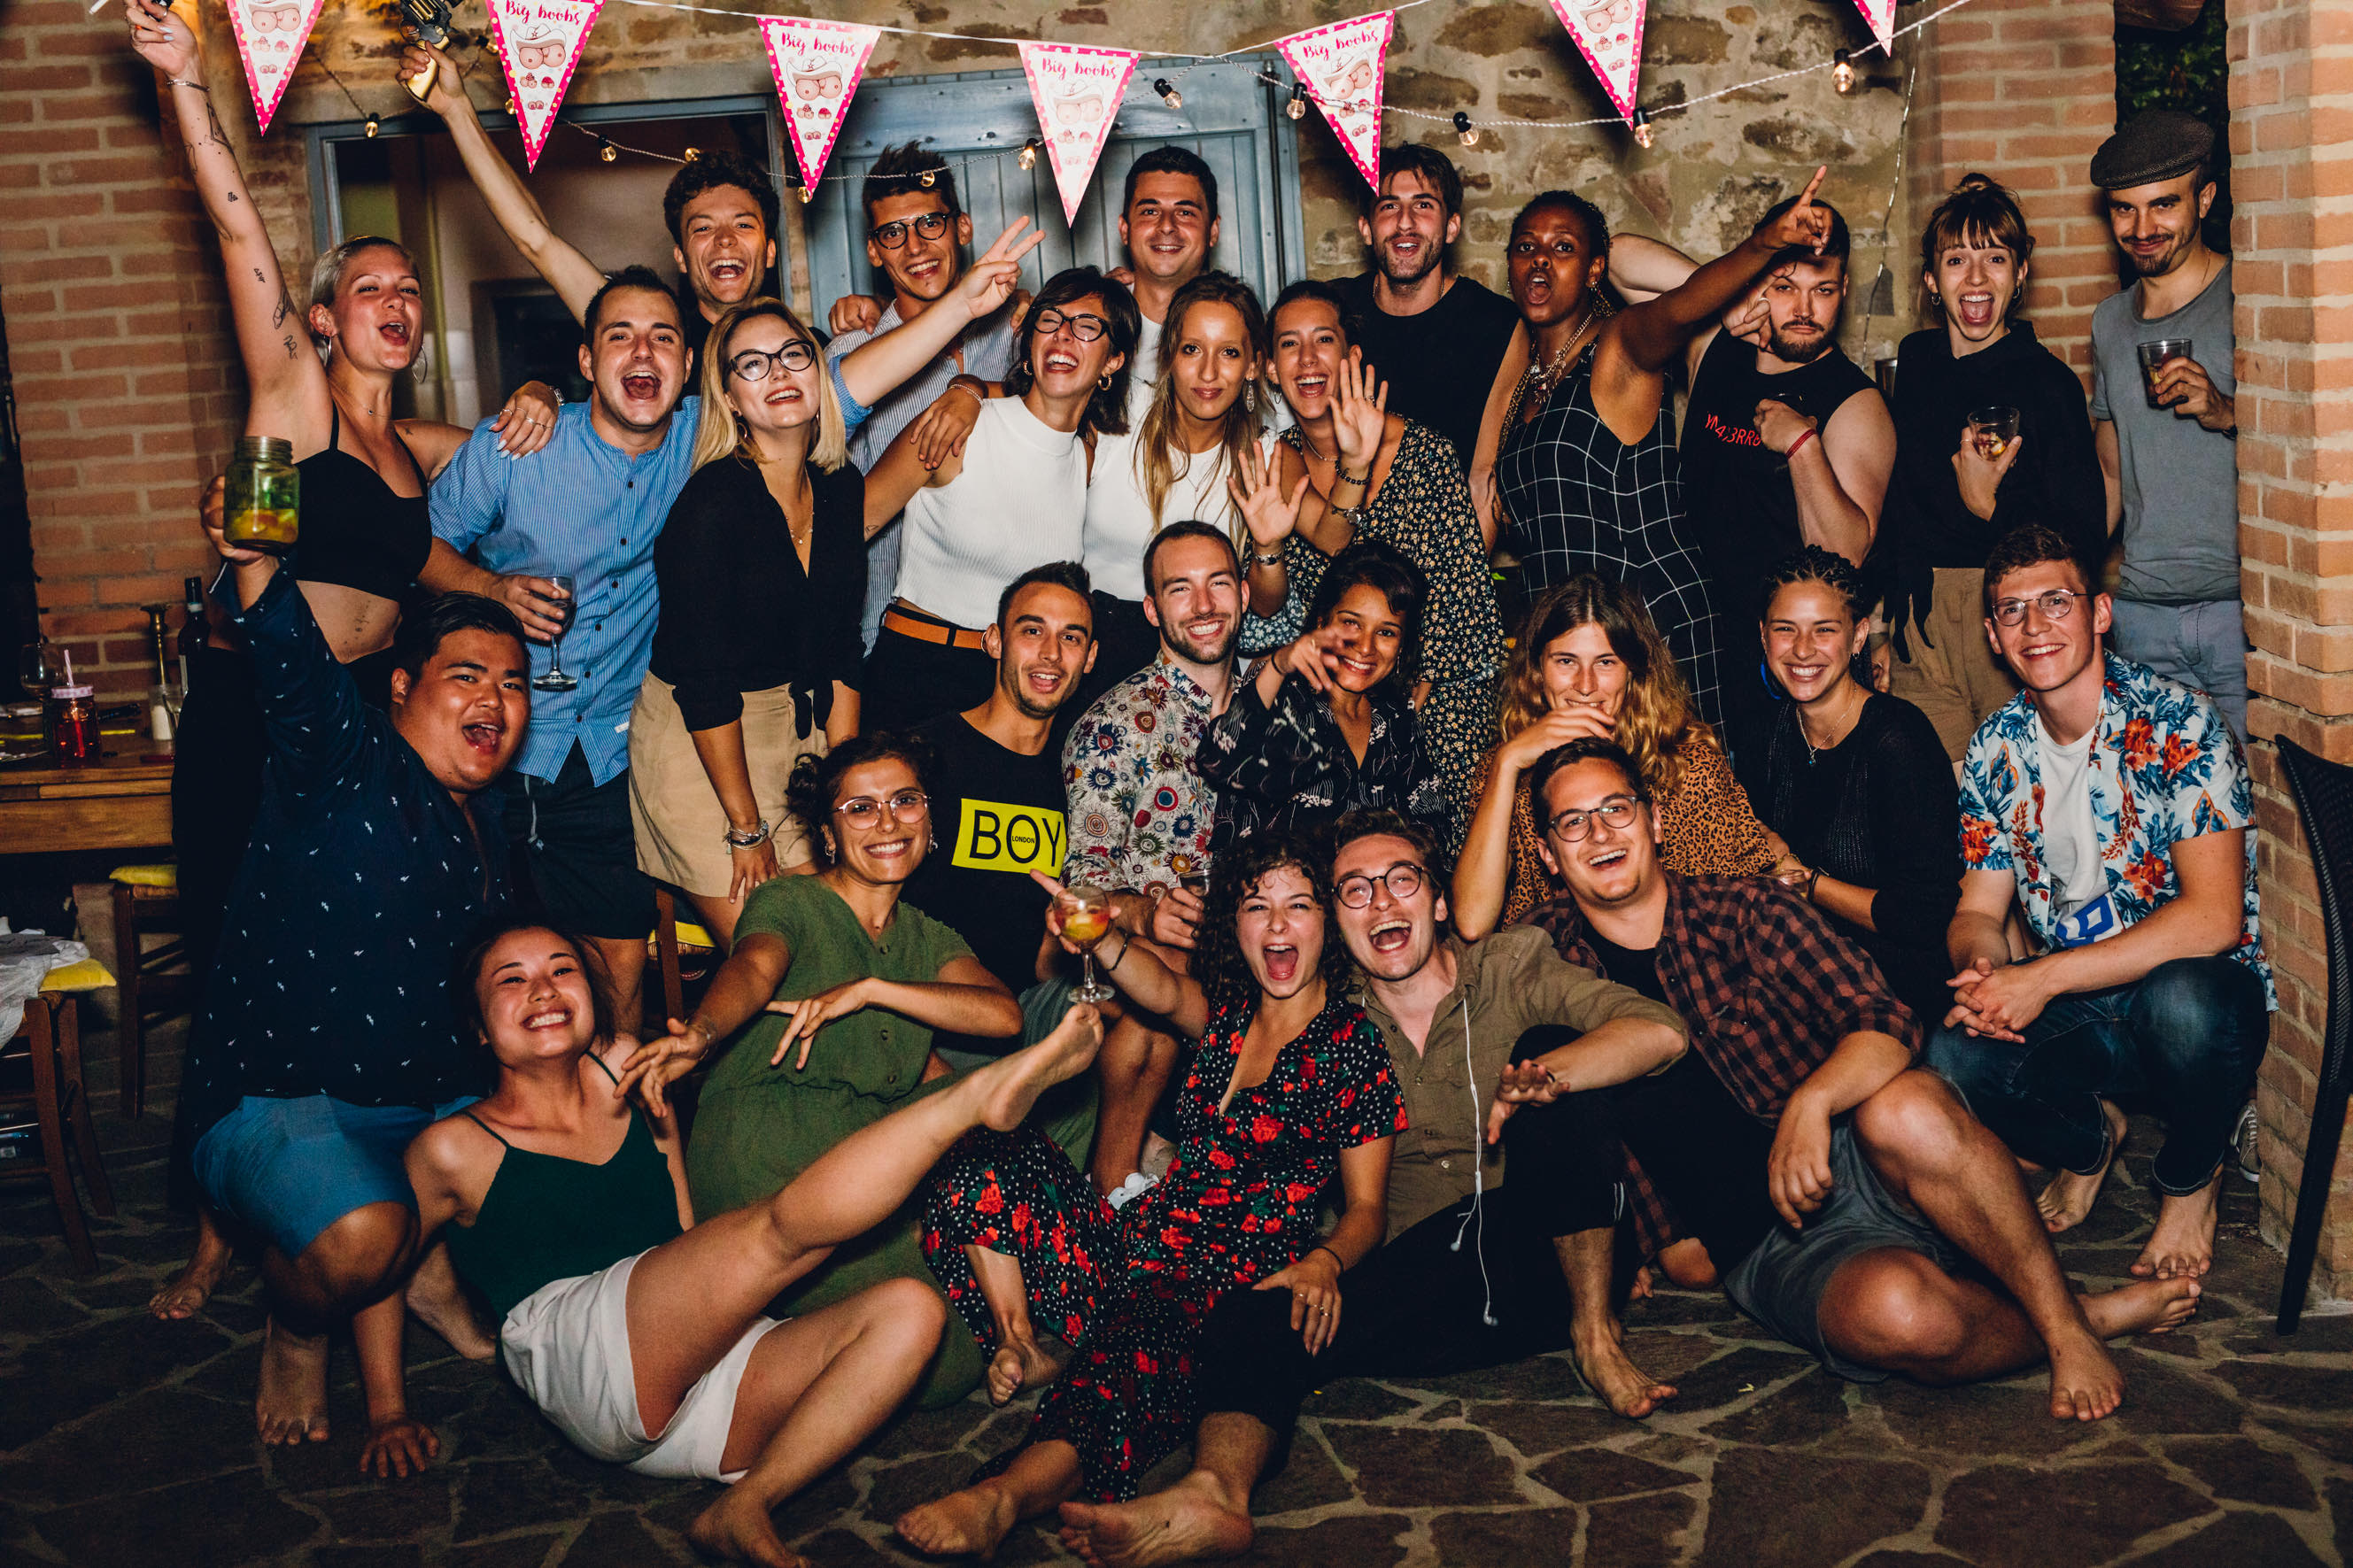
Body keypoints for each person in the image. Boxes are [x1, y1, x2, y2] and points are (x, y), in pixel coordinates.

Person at [128, 0, 554, 1325]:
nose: (396, 302)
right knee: (239, 966)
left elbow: (411, 555)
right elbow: (239, 238)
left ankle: (344, 1207)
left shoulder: (406, 449)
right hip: (265, 713)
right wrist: (187, 85)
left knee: (339, 964)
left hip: (356, 735)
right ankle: (222, 1234)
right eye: (367, 287)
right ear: (320, 321)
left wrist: (525, 434)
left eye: (407, 291)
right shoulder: (295, 401)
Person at [1055, 810, 1689, 1567]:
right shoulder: (1324, 1019)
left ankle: (1594, 1336)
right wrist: (1101, 933)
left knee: (1553, 1062)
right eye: (1355, 891)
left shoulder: (1511, 964)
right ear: (1336, 919)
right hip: (1424, 1278)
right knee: (1258, 1310)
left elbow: (1660, 1032)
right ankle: (1213, 1493)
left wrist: (1545, 1081)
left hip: (1542, 1252)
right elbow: (1173, 999)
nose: (1382, 903)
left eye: (1401, 881)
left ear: (1440, 901)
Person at [1522, 739, 2204, 1423]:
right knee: (1903, 1318)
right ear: (1549, 856)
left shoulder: (1744, 910)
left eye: (1617, 808)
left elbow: (1883, 1020)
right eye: (1572, 822)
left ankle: (2062, 1329)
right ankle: (2094, 1313)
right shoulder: (1540, 962)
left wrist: (1810, 1103)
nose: (1600, 833)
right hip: (1771, 1245)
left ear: (1655, 821)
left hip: (1862, 1155)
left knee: (1906, 1105)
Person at [409, 918, 1108, 1566]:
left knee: (909, 1310)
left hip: (683, 1386)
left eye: (562, 970)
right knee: (779, 1231)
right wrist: (390, 1404)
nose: (543, 989)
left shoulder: (626, 1064)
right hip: (578, 1352)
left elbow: (680, 1217)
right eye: (512, 978)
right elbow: (385, 1269)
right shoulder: (451, 1146)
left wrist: (711, 1291)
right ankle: (969, 1100)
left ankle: (746, 1503)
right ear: (477, 1027)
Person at [894, 832, 1405, 1555]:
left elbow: (1367, 1210)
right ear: (1236, 924)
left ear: (1327, 922)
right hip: (1130, 1249)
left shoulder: (1349, 1044)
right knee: (978, 1152)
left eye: (1299, 905)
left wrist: (1325, 1262)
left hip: (1221, 1290)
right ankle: (1027, 1340)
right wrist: (1098, 929)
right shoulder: (1228, 1016)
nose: (1279, 924)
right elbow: (1160, 989)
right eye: (1258, 907)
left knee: (1132, 1351)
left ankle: (1003, 1495)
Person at [177, 489, 526, 1467]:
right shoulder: (344, 758)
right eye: (466, 677)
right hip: (281, 1097)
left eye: (512, 683)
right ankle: (296, 1329)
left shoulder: (490, 820)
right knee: (361, 1232)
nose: (493, 701)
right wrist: (253, 563)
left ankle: (426, 1268)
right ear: (402, 685)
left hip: (420, 1096)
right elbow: (295, 669)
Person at [621, 732, 1079, 1409]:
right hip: (772, 1151)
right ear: (829, 834)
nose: (888, 822)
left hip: (869, 1162)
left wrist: (874, 989)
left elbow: (1001, 1015)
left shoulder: (927, 936)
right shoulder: (789, 904)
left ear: (930, 819)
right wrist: (702, 1033)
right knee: (936, 1342)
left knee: (952, 1344)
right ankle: (760, 1337)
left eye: (904, 801)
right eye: (860, 809)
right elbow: (753, 966)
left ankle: (1005, 1327)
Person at [1923, 525, 2273, 1283]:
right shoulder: (1994, 748)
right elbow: (1977, 908)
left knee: (2182, 1001)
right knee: (1953, 1050)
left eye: (2055, 601)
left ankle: (2189, 1178)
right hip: (2086, 1002)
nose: (2034, 625)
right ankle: (2088, 1141)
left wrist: (2040, 978)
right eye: (2011, 611)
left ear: (2100, 613)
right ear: (1990, 633)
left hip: (2192, 996)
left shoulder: (2178, 723)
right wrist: (1984, 974)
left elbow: (2213, 918)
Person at [422, 267, 697, 1021]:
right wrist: (490, 589)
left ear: (688, 361)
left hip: (608, 749)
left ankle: (615, 1114)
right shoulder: (519, 444)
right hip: (494, 745)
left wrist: (971, 387)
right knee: (471, 961)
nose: (642, 353)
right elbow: (419, 548)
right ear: (585, 362)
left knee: (615, 962)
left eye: (662, 337)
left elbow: (824, 389)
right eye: (620, 336)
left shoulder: (708, 438)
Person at [1487, 172, 1835, 742]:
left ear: (1595, 269)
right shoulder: (1524, 380)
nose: (1541, 262)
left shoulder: (1619, 344)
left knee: (1680, 812)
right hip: (1566, 645)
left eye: (1563, 248)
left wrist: (1766, 245)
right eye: (1526, 247)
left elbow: (1679, 309)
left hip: (1650, 627)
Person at [1606, 198, 1895, 773]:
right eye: (1785, 286)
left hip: (1790, 673)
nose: (1805, 309)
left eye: (1824, 290)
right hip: (1690, 655)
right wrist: (1729, 289)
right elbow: (1617, 259)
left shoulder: (1854, 402)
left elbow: (1844, 553)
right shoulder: (1711, 345)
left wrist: (1800, 446)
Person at [625, 298, 863, 950]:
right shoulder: (708, 507)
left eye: (793, 355)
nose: (778, 373)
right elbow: (703, 686)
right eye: (751, 365)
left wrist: (843, 794)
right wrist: (747, 829)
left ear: (817, 373)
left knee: (841, 935)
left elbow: (844, 651)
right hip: (703, 745)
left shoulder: (840, 485)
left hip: (802, 733)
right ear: (728, 397)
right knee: (783, 955)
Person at [1236, 281, 1505, 837]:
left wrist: (1409, 706)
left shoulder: (1424, 452)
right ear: (1268, 367)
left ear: (1352, 356)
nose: (1308, 360)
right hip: (1324, 704)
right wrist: (1265, 546)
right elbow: (1281, 600)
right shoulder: (1278, 459)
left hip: (1435, 695)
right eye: (1289, 345)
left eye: (1324, 340)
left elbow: (1466, 606)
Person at [1883, 173, 2108, 761]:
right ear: (1931, 280)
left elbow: (2081, 535)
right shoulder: (1915, 362)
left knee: (2027, 799)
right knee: (1938, 805)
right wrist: (1880, 622)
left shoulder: (2049, 384)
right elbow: (1898, 502)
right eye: (1956, 259)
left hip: (2013, 611)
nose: (1976, 277)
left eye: (1994, 258)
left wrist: (1992, 507)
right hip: (1921, 618)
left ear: (2020, 273)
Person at [859, 268, 1138, 733]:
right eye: (1050, 320)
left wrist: (970, 384)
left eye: (1087, 326)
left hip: (1017, 690)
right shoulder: (956, 428)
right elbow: (845, 532)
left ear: (1113, 362)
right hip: (918, 674)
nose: (1064, 335)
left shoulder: (1088, 452)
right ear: (1031, 343)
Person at [1063, 522, 1246, 1194]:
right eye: (1180, 588)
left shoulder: (1281, 701)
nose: (1202, 604)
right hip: (1151, 963)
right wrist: (1144, 914)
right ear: (1151, 610)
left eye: (1218, 583)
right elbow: (1081, 892)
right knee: (1155, 975)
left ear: (1245, 592)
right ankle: (1113, 1185)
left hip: (1267, 948)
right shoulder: (1114, 724)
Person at [1452, 574, 1779, 942]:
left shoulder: (1686, 767)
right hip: (1552, 980)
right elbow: (1471, 921)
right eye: (1565, 661)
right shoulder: (1506, 771)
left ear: (1632, 673)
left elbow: (1739, 915)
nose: (1586, 685)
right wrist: (1507, 764)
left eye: (1606, 662)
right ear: (1537, 670)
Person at [825, 145, 1041, 653]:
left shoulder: (1020, 333)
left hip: (1017, 635)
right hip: (886, 634)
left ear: (962, 228)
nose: (916, 247)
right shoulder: (854, 354)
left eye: (930, 223)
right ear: (874, 250)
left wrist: (977, 390)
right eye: (893, 233)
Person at [1753, 547, 1962, 1028]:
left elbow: (1923, 915)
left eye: (1824, 630)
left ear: (1858, 636)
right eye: (1786, 629)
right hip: (1799, 977)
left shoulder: (1898, 739)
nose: (1802, 650)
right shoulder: (1766, 731)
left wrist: (1809, 883)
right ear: (1763, 637)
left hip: (1896, 989)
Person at [2089, 112, 2247, 740]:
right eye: (2123, 210)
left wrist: (2225, 411)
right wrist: (2066, 576)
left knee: (2263, 816)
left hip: (2241, 612)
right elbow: (2108, 469)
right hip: (2141, 616)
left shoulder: (2247, 297)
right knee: (2162, 819)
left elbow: (2312, 448)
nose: (2142, 228)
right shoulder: (2107, 322)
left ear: (2204, 200)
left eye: (2162, 206)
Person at [902, 563, 1099, 1059]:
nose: (1051, 654)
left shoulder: (1080, 775)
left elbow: (1042, 963)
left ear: (1090, 658)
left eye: (1070, 638)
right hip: (916, 1019)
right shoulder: (923, 756)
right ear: (994, 642)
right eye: (1032, 630)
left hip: (1022, 1019)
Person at [1077, 273, 1270, 699]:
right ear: (1168, 355)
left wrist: (1354, 464)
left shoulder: (1265, 457)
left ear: (1253, 365)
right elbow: (1031, 404)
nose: (1208, 371)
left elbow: (1331, 538)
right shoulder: (1119, 413)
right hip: (1093, 652)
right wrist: (969, 390)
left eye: (1230, 353)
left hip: (1203, 663)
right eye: (1191, 349)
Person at [1196, 540, 1445, 854]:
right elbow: (1217, 759)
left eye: (1386, 632)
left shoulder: (1397, 720)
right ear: (1321, 622)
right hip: (1270, 897)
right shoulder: (1285, 698)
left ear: (1402, 646)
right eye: (1351, 623)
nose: (1365, 647)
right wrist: (1279, 664)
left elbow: (1432, 834)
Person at [1331, 144, 1527, 499]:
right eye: (1389, 206)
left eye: (1423, 206)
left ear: (1451, 227)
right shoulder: (1334, 311)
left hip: (1450, 543)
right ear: (1366, 228)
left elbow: (1485, 479)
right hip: (1344, 537)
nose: (1405, 222)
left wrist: (1464, 556)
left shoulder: (1496, 324)